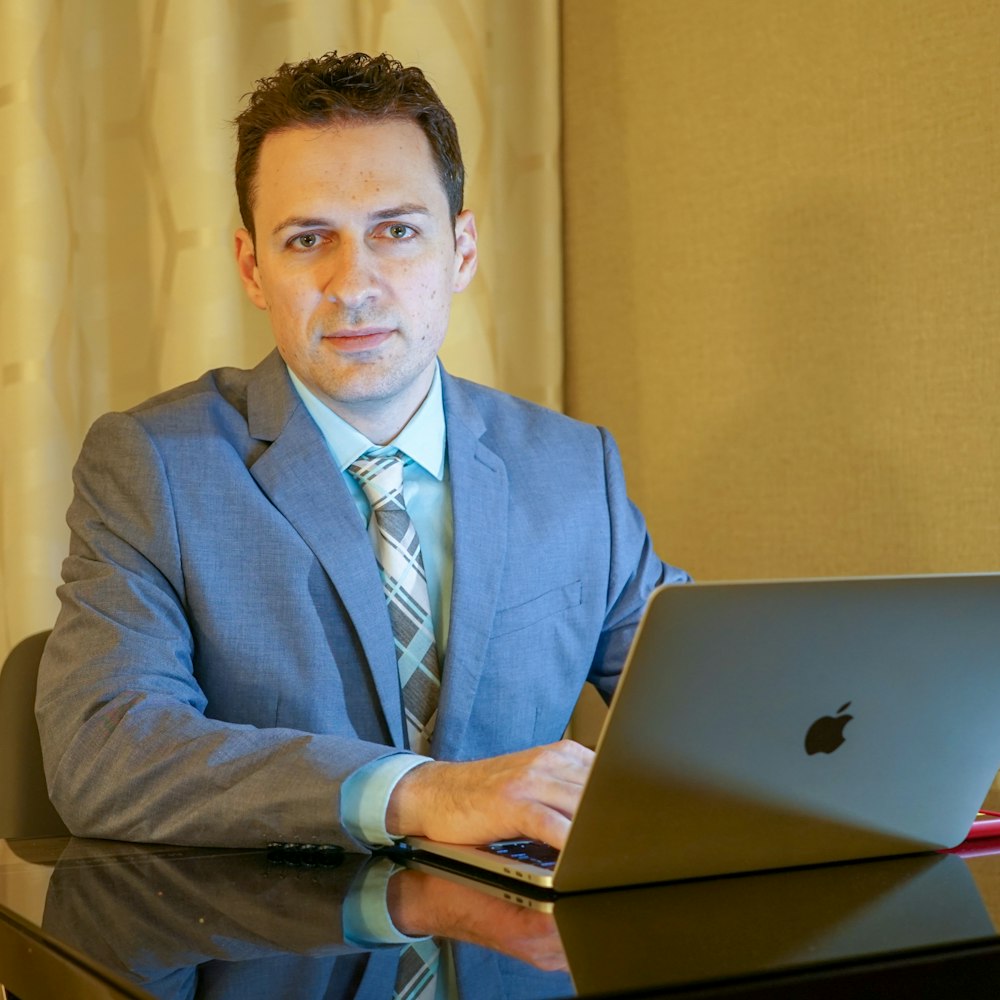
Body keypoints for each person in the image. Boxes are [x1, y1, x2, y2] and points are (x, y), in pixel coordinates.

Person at [36, 51, 688, 852]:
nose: (354, 283)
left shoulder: (572, 466)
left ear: (463, 250)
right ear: (252, 267)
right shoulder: (154, 465)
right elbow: (103, 751)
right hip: (279, 954)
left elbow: (705, 702)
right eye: (309, 240)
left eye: (397, 231)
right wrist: (419, 794)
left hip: (516, 963)